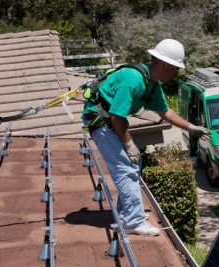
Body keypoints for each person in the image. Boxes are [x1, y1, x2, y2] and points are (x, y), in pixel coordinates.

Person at [81, 39, 210, 236]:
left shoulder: (151, 83)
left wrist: (191, 127)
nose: (177, 73)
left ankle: (126, 215)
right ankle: (134, 222)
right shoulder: (134, 80)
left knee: (134, 164)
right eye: (176, 68)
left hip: (112, 121)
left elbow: (166, 113)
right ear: (165, 64)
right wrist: (129, 144)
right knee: (126, 169)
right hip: (103, 123)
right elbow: (116, 115)